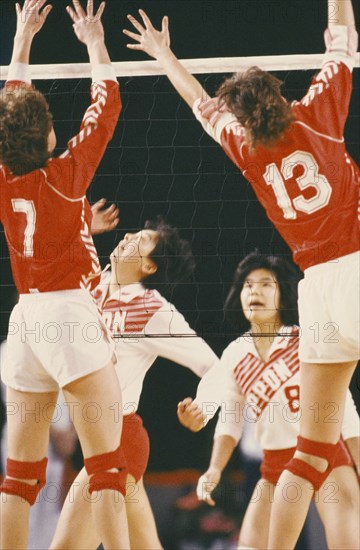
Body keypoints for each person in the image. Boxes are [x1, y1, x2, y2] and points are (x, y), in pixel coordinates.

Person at [123, 1, 359, 546]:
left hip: (317, 291)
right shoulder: (319, 110)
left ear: (246, 117)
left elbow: (201, 104)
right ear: (277, 95)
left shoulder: (247, 149)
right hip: (354, 270)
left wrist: (164, 54)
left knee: (311, 449)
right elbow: (340, 36)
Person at [0, 1, 130, 548]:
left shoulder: (5, 176)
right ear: (48, 136)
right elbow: (108, 103)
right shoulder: (66, 176)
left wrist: (22, 39)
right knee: (107, 466)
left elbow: (9, 105)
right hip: (68, 314)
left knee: (19, 474)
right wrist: (94, 41)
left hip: (25, 318)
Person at [50, 217, 220, 550]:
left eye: (140, 241)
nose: (127, 236)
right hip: (97, 438)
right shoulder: (90, 285)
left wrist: (204, 407)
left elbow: (214, 367)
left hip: (118, 442)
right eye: (132, 233)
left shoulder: (153, 309)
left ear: (149, 266)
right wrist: (80, 228)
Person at [177, 252, 360, 550]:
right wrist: (213, 466)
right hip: (274, 465)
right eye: (248, 286)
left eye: (265, 285)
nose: (255, 292)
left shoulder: (305, 340)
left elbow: (342, 405)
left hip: (327, 455)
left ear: (284, 297)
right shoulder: (235, 353)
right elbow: (228, 417)